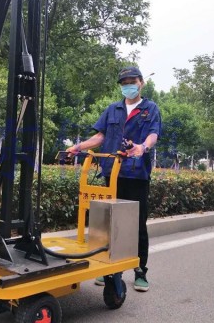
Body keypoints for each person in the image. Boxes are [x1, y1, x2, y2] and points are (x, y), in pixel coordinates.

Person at [66, 66, 161, 292]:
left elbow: (153, 134)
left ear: (141, 83)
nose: (128, 86)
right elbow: (100, 136)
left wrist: (142, 147)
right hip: (113, 173)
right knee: (109, 222)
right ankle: (109, 268)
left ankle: (140, 270)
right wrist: (78, 147)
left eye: (132, 81)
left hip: (136, 175)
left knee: (137, 224)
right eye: (124, 83)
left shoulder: (150, 109)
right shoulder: (113, 109)